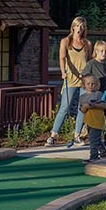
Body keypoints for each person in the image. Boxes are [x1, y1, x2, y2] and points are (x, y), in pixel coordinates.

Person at [45, 16, 93, 146]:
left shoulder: (87, 44)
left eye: (82, 26)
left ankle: (77, 135)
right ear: (73, 27)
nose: (79, 29)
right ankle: (53, 135)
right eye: (77, 26)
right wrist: (63, 71)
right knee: (65, 107)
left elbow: (89, 61)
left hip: (84, 80)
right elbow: (62, 58)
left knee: (82, 107)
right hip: (71, 79)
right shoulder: (65, 41)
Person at [82, 39, 106, 147]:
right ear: (96, 51)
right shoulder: (91, 64)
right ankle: (96, 140)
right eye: (101, 51)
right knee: (98, 119)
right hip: (96, 95)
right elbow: (84, 77)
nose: (104, 53)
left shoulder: (105, 65)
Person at [79, 74, 106, 161]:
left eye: (93, 84)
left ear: (98, 85)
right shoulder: (82, 97)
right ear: (84, 85)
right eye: (88, 84)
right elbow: (82, 110)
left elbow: (104, 105)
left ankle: (94, 156)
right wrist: (85, 107)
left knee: (93, 140)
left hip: (97, 121)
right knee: (96, 139)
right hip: (89, 121)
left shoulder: (99, 94)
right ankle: (103, 153)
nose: (91, 86)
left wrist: (93, 105)